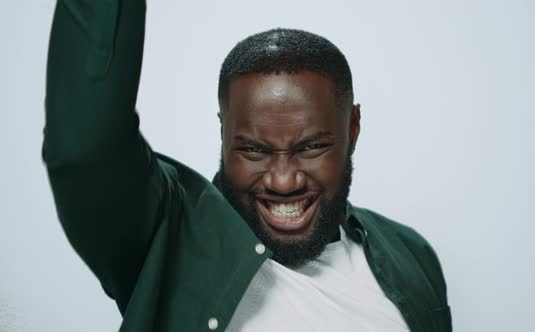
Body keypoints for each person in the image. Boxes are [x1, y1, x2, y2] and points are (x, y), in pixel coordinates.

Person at [43, 0, 451, 331]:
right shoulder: (167, 239)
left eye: (311, 147)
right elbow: (84, 149)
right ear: (224, 134)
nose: (284, 179)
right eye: (254, 150)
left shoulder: (409, 255)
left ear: (353, 128)